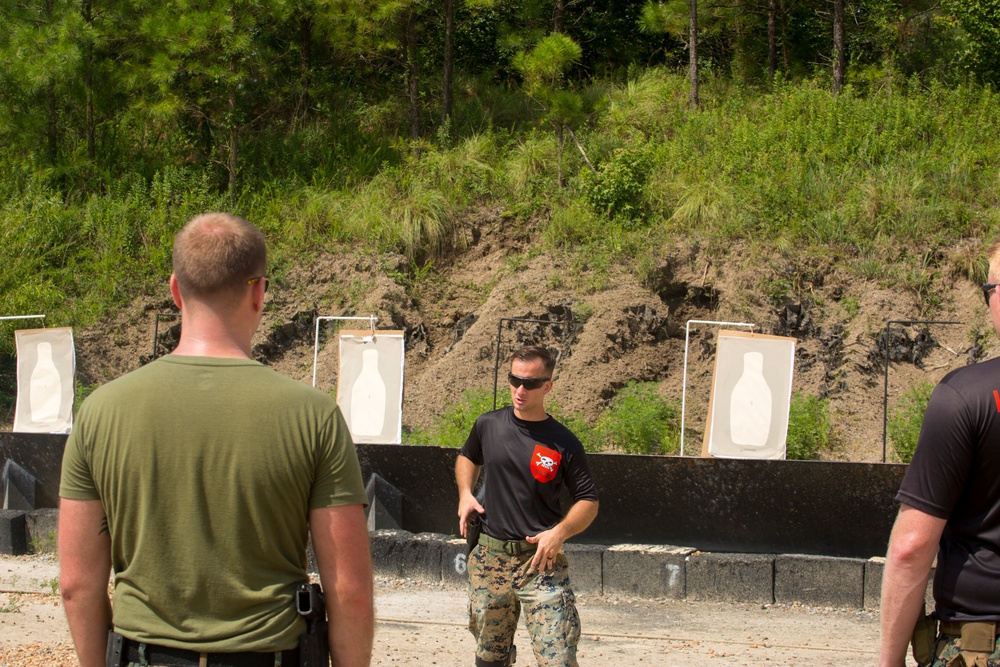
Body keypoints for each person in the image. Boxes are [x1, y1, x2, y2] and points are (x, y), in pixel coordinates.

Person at [58, 212, 374, 667]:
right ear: (259, 293)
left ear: (175, 291)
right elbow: (350, 591)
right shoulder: (314, 415)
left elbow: (77, 586)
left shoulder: (99, 412)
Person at [879, 237, 1000, 667]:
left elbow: (911, 547)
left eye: (989, 289)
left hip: (982, 642)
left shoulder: (965, 397)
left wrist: (889, 662)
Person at [456, 345, 599, 667]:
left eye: (530, 383)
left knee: (558, 656)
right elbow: (467, 456)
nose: (520, 390)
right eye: (514, 380)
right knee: (489, 657)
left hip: (540, 562)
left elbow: (589, 500)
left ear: (547, 386)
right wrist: (465, 493)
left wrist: (560, 532)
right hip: (490, 557)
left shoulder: (563, 442)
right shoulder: (488, 424)